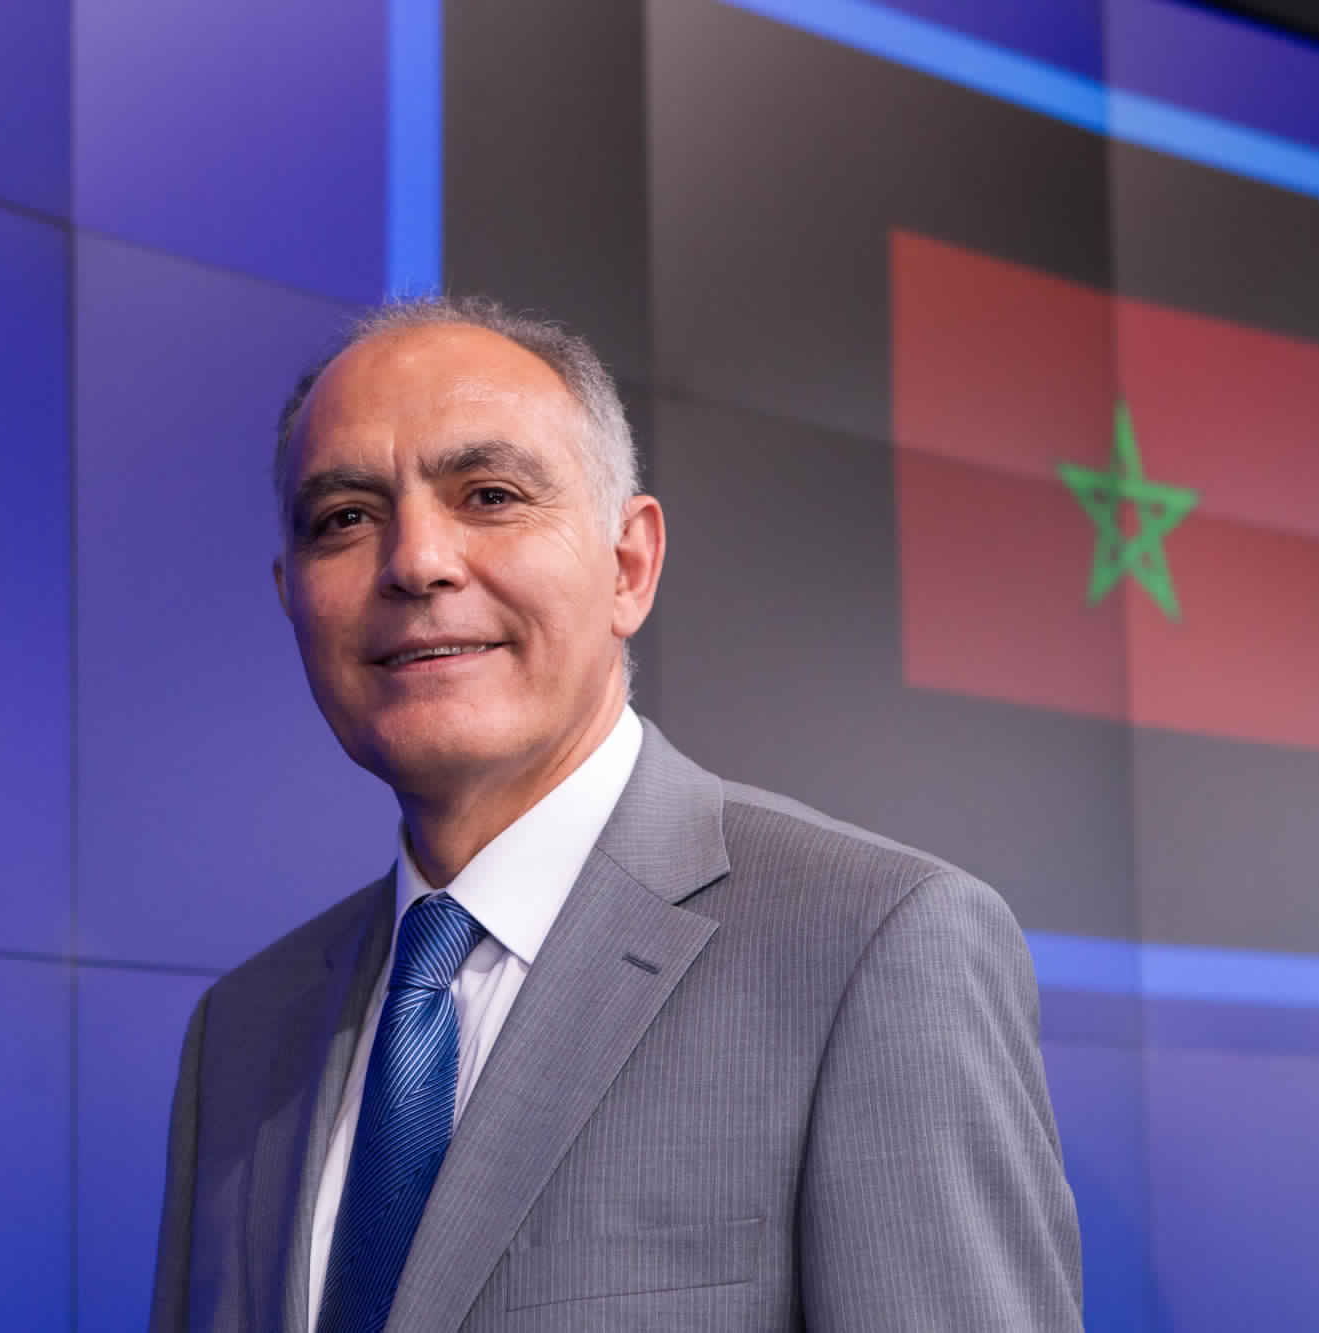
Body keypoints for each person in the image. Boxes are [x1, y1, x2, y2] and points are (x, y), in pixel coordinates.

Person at [148, 296, 1082, 1332]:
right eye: (345, 519)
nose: (414, 561)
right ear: (290, 596)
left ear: (627, 565)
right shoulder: (242, 1032)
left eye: (489, 495)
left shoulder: (868, 945)